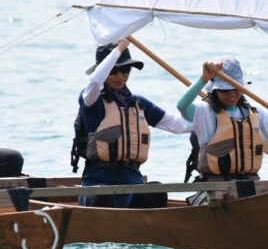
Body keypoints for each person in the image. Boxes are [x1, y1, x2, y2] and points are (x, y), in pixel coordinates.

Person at [76, 38, 192, 208]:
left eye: (126, 70)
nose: (120, 76)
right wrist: (120, 48)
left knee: (157, 191)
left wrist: (210, 111)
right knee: (102, 196)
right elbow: (94, 82)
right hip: (98, 183)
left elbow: (179, 125)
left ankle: (145, 232)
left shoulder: (139, 103)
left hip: (132, 182)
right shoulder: (92, 100)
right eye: (114, 70)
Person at [177, 56, 268, 204]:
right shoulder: (204, 111)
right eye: (225, 90)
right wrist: (203, 79)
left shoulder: (256, 113)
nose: (232, 94)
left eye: (236, 88)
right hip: (216, 190)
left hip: (250, 187)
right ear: (214, 90)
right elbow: (182, 106)